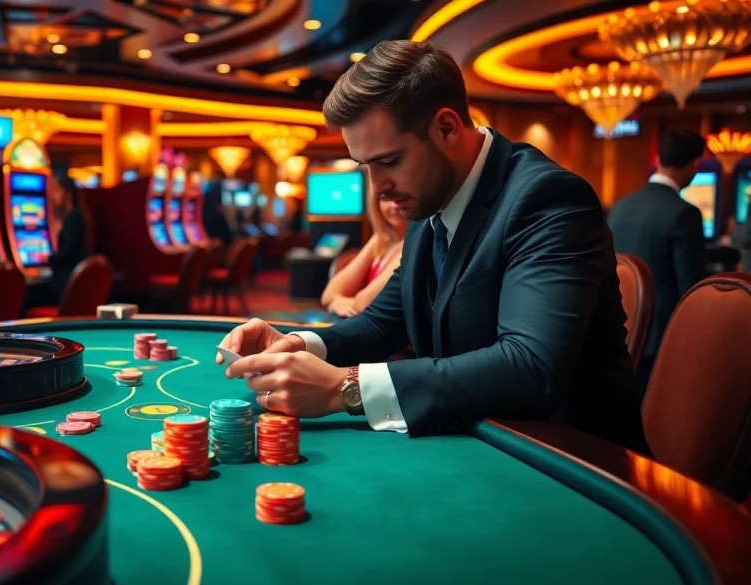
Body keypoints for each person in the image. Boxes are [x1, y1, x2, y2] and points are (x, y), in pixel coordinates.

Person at [216, 40, 638, 449]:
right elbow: (383, 322)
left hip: (569, 460)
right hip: (474, 441)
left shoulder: (547, 199)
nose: (378, 189)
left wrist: (344, 388)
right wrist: (300, 344)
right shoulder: (428, 197)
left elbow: (530, 368)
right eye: (366, 166)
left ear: (446, 128)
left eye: (389, 161)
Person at [607, 130, 706, 389]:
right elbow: (691, 287)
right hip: (658, 336)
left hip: (614, 327)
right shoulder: (684, 214)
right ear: (694, 165)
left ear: (659, 159)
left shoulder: (620, 206)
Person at [321, 187, 408, 317]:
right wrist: (335, 302)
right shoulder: (380, 239)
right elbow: (328, 295)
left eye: (401, 198)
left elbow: (365, 303)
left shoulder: (412, 244)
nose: (394, 205)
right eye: (386, 198)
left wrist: (338, 302)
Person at [47, 175, 90, 304]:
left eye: (57, 190)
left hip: (68, 280)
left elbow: (68, 252)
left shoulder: (73, 218)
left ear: (67, 192)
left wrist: (47, 258)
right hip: (73, 278)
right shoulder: (77, 215)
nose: (53, 196)